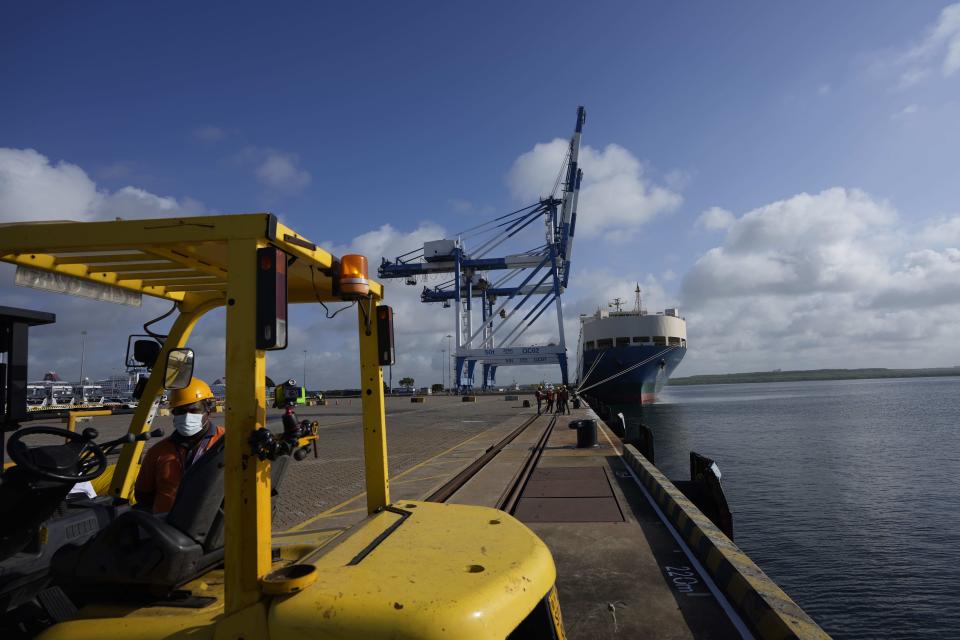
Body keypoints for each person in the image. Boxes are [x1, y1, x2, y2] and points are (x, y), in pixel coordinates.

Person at [135, 378, 224, 513]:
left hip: (213, 527)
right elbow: (143, 496)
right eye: (180, 411)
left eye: (194, 410)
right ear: (174, 413)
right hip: (166, 529)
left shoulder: (228, 442)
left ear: (208, 409)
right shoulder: (157, 451)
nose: (187, 416)